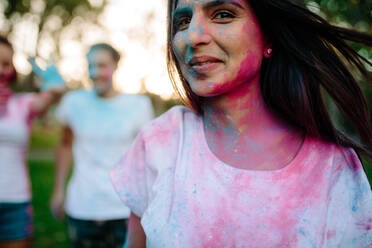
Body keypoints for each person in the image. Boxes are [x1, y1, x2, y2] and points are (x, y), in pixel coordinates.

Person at [110, 0, 372, 247]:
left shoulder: (333, 168)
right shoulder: (160, 140)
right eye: (182, 21)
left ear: (268, 35)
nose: (192, 35)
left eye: (223, 14)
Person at [50, 43, 154, 248]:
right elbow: (64, 145)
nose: (95, 72)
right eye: (90, 66)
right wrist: (58, 190)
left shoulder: (138, 106)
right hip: (82, 206)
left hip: (123, 209)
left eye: (102, 65)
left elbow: (147, 157)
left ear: (116, 66)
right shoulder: (73, 102)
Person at [0, 36, 65, 248]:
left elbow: (55, 94)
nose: (1, 70)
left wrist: (53, 83)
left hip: (15, 202)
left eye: (6, 63)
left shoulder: (22, 104)